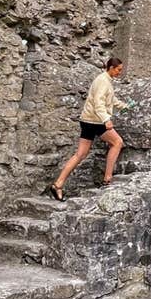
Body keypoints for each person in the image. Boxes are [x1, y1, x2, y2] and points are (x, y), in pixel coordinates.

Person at [49, 57, 128, 202]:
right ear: (111, 68)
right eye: (118, 69)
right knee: (117, 142)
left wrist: (124, 106)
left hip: (87, 120)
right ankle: (107, 180)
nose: (120, 72)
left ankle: (58, 184)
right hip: (96, 121)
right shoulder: (103, 81)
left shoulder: (105, 80)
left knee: (80, 154)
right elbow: (98, 102)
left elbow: (109, 100)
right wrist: (106, 119)